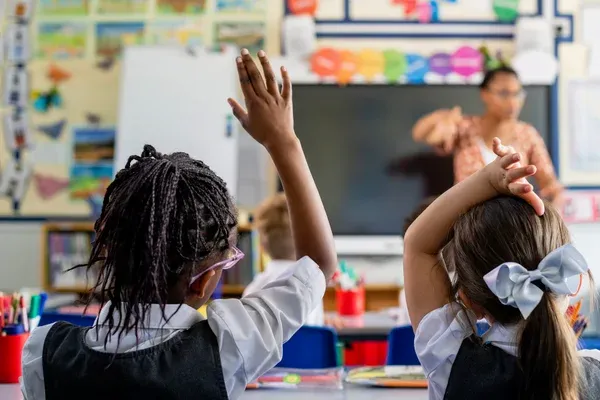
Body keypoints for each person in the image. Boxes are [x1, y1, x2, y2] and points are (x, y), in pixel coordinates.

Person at [20, 49, 337, 400]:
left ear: (107, 250)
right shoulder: (229, 346)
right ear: (203, 282)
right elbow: (319, 265)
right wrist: (283, 141)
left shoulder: (42, 354)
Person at [403, 138, 600, 400]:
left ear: (468, 298)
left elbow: (417, 244)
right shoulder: (596, 371)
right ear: (565, 284)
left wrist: (487, 180)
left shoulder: (451, 361)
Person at [412, 66, 563, 205]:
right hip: (468, 222)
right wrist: (445, 117)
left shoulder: (527, 134)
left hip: (512, 224)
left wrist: (552, 206)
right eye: (504, 93)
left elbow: (549, 182)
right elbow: (422, 134)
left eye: (517, 94)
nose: (512, 102)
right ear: (484, 94)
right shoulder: (465, 127)